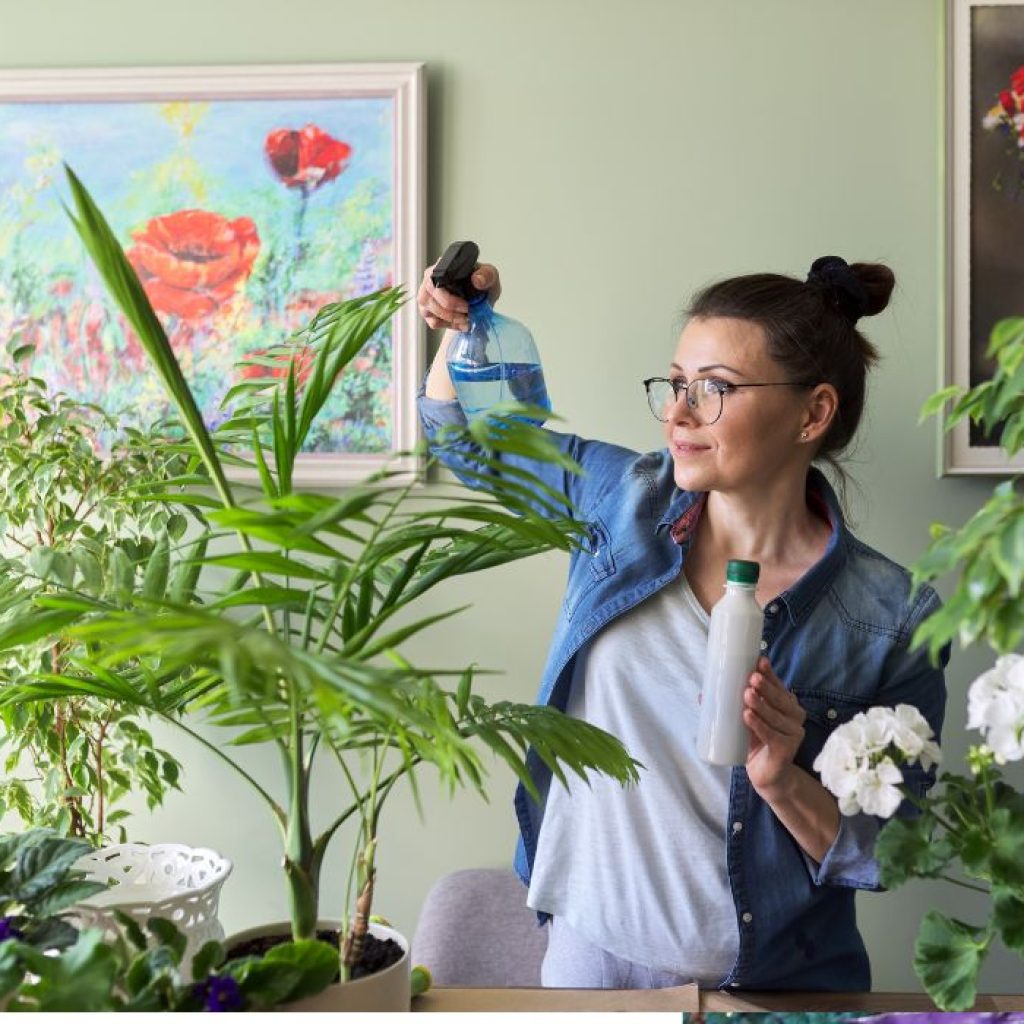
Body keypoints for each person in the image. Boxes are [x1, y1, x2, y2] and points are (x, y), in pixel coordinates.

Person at [415, 255, 948, 992]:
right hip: (587, 957)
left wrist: (782, 778)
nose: (678, 414)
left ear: (813, 412)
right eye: (675, 385)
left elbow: (891, 854)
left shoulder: (893, 618)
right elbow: (459, 439)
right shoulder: (620, 502)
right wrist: (462, 327)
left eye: (715, 389)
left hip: (772, 987)